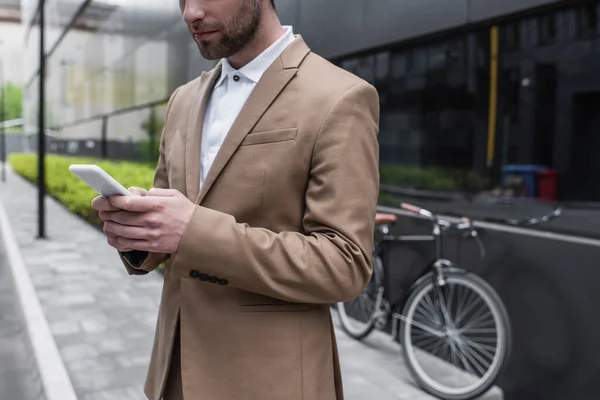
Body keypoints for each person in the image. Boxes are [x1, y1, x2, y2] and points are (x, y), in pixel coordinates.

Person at [91, 0, 380, 399]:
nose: (190, 13)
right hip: (172, 373)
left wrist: (191, 232)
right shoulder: (183, 100)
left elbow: (344, 264)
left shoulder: (341, 97)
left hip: (269, 381)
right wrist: (138, 229)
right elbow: (171, 223)